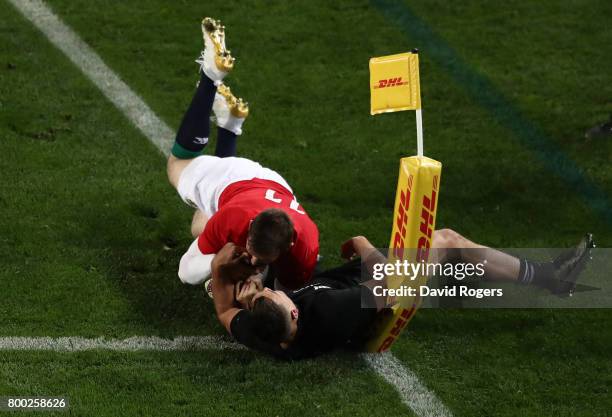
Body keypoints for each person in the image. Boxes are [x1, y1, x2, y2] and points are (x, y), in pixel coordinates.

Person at [210, 229, 594, 360]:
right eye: (281, 298)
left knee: (450, 263)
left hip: (360, 293)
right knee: (446, 239)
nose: (280, 295)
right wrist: (361, 243)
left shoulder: (263, 333)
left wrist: (238, 286)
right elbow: (391, 280)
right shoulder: (328, 308)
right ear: (294, 314)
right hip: (378, 292)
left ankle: (463, 278)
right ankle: (549, 278)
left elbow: (225, 313)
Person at [166, 18, 319, 291]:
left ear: (290, 244)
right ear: (248, 234)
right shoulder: (236, 219)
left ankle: (230, 125)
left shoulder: (306, 247)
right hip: (231, 181)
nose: (253, 261)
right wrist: (224, 270)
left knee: (199, 229)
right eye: (252, 254)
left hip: (271, 185)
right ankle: (210, 77)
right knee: (177, 164)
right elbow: (186, 273)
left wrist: (253, 276)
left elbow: (287, 293)